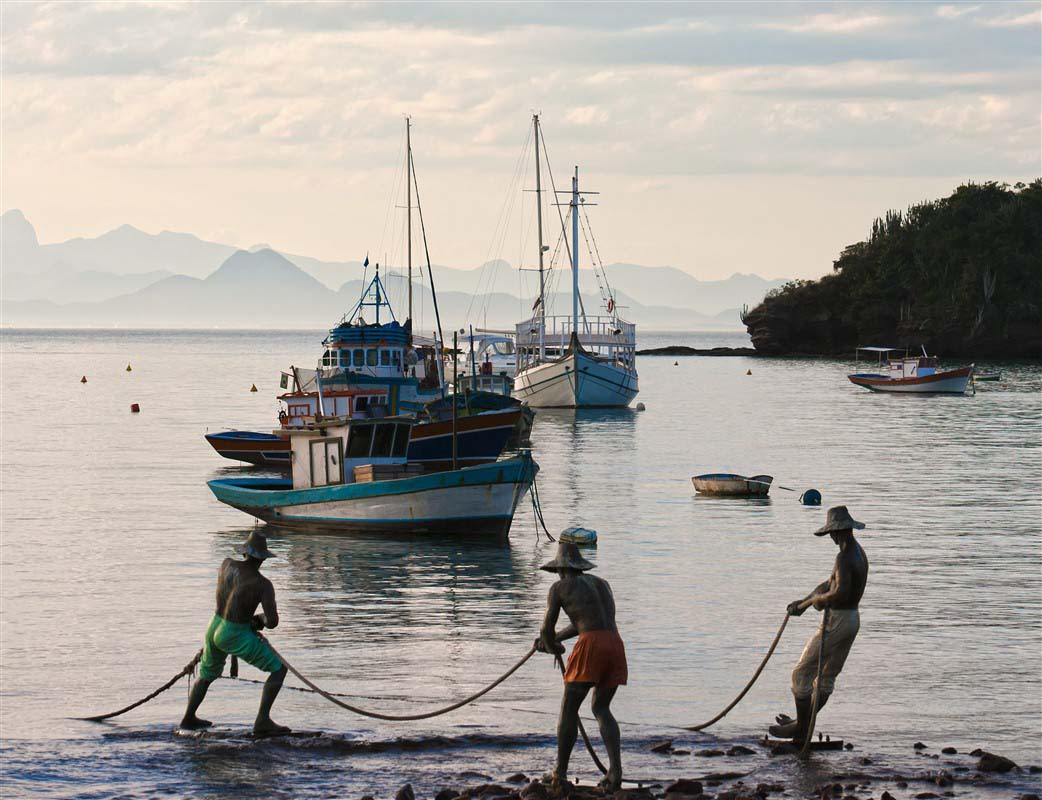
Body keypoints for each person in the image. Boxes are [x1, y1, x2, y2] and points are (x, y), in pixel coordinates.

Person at [770, 506, 869, 743]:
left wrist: (818, 602)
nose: (832, 539)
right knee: (825, 677)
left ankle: (800, 731)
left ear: (838, 532)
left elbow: (839, 593)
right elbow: (829, 584)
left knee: (801, 674)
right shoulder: (857, 553)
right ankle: (802, 726)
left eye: (833, 534)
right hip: (851, 620)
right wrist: (803, 604)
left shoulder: (844, 557)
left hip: (838, 620)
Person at [536, 542, 627, 792]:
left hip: (591, 646)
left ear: (561, 570)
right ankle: (615, 771)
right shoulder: (602, 584)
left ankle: (560, 773)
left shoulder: (559, 588)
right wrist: (555, 641)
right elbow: (584, 622)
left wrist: (548, 643)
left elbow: (546, 629)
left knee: (569, 707)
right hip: (614, 644)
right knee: (601, 707)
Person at [180, 531, 290, 735]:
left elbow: (233, 599)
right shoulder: (262, 584)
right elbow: (272, 621)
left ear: (245, 553)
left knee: (206, 675)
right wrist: (259, 620)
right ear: (262, 559)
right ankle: (262, 721)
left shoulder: (226, 565)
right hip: (234, 632)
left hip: (214, 625)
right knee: (278, 670)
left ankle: (188, 718)